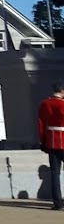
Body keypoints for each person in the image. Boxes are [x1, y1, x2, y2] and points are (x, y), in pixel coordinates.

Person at [36, 80, 64, 210]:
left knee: (55, 173)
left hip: (52, 140)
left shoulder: (45, 103)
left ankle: (57, 203)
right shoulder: (62, 105)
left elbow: (41, 123)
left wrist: (43, 140)